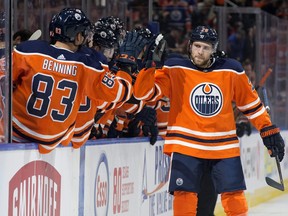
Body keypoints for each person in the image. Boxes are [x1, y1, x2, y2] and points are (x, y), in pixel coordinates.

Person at [133, 25, 285, 215]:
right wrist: (148, 69)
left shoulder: (231, 69)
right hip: (185, 144)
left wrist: (267, 128)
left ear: (214, 49)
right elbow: (144, 94)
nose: (200, 52)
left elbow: (251, 104)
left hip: (223, 146)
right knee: (184, 195)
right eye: (197, 46)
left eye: (205, 47)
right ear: (189, 46)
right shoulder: (175, 67)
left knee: (234, 196)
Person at [12, 8, 135, 154]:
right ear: (77, 36)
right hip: (58, 142)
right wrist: (127, 65)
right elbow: (120, 92)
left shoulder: (27, 51)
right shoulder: (87, 64)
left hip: (16, 135)